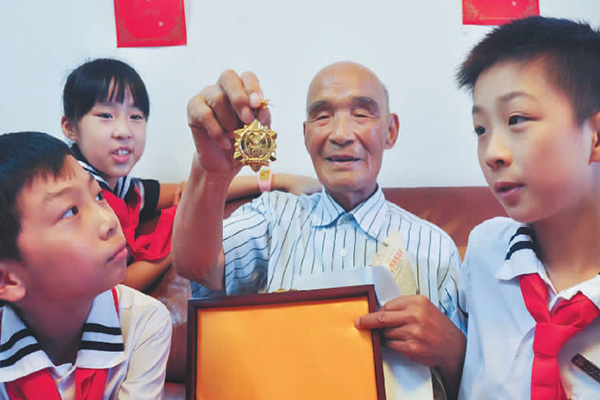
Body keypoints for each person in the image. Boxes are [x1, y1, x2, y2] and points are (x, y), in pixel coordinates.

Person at [173, 61, 466, 399]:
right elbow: (196, 266)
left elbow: (474, 384)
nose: (341, 134)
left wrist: (452, 350)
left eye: (361, 114)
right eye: (322, 116)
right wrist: (211, 174)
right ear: (305, 134)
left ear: (390, 131)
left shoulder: (435, 248)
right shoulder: (273, 217)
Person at [61, 58, 321, 292]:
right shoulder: (79, 196)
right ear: (70, 127)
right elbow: (111, 291)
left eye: (136, 116)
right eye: (106, 115)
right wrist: (176, 245)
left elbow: (186, 190)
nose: (124, 131)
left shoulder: (123, 187)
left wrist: (276, 180)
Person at [455, 16, 600, 399]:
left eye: (516, 119)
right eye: (481, 129)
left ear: (596, 137)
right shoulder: (486, 251)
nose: (492, 153)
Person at [0, 131, 171, 399]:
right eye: (70, 212)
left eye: (98, 196)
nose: (109, 221)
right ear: (7, 279)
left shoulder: (143, 321)